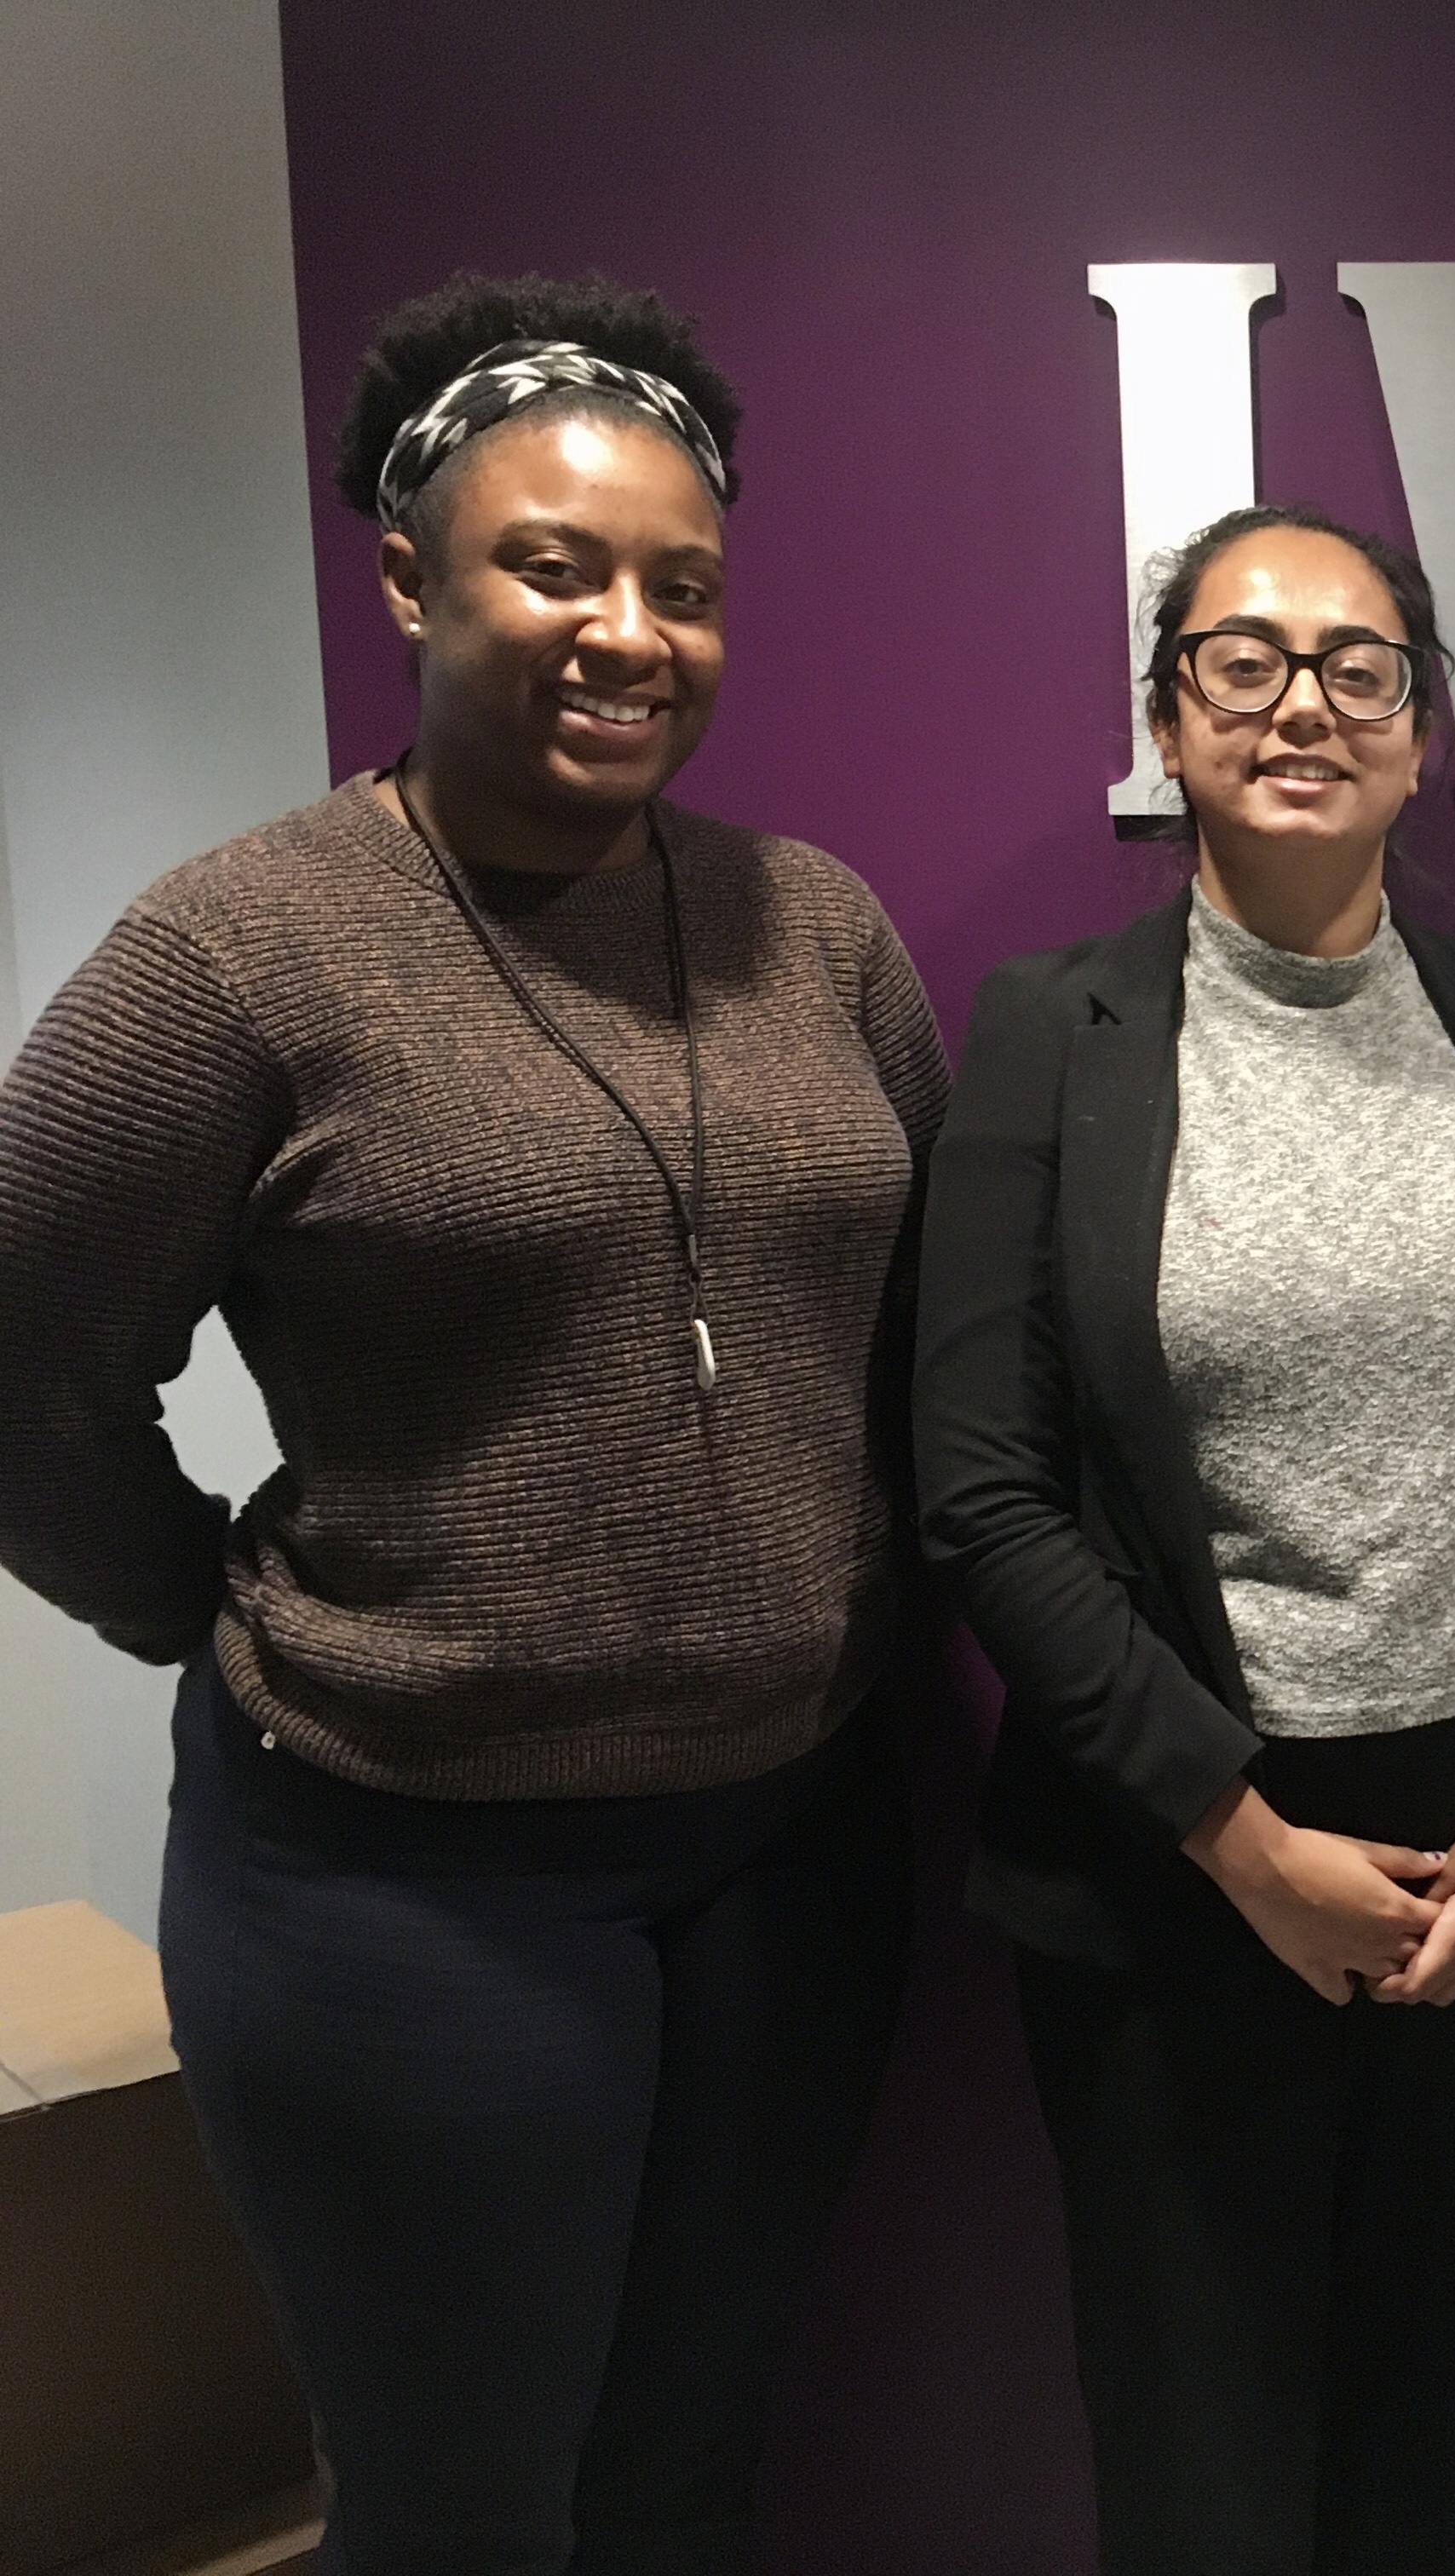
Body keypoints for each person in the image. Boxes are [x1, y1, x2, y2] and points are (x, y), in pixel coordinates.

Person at [0, 273, 947, 2575]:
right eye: (557, 565)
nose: (627, 630)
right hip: (404, 1887)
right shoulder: (240, 956)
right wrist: (226, 1606)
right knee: (460, 2518)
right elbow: (18, 1371)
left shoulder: (810, 929)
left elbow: (928, 1336)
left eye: (683, 586)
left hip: (788, 1849)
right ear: (414, 575)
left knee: (691, 2467)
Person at [914, 503, 1455, 2576]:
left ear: (1424, 736)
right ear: (1168, 720)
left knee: (1444, 2476)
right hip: (1175, 1880)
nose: (1304, 701)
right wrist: (1241, 1834)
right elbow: (979, 1484)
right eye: (1246, 659)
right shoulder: (1056, 1033)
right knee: (1211, 2489)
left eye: (1358, 664)